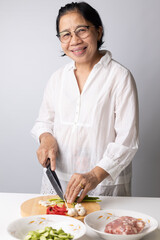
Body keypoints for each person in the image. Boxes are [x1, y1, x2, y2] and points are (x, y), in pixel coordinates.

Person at [31, 1, 139, 203]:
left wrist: (94, 176)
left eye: (81, 30)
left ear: (98, 32)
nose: (74, 40)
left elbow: (127, 141)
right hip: (59, 182)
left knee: (101, 232)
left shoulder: (120, 77)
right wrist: (46, 138)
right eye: (66, 34)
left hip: (104, 187)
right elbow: (44, 122)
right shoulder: (57, 78)